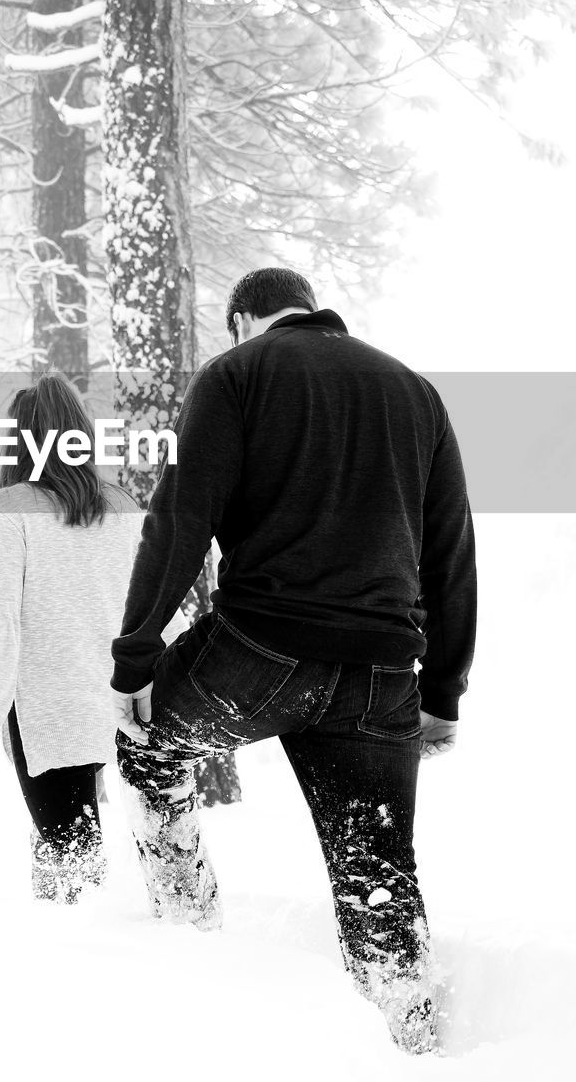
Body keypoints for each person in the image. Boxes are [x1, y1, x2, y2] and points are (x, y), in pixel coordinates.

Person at [110, 267, 476, 1055]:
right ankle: (415, 1044)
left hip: (257, 654)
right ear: (311, 308)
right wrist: (442, 691)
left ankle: (185, 930)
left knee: (148, 746)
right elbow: (448, 551)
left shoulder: (236, 373)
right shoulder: (413, 392)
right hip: (379, 674)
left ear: (243, 318)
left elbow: (180, 520)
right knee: (374, 870)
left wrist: (136, 656)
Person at [0, 373, 183, 903]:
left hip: (49, 713)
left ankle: (81, 973)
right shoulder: (120, 503)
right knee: (92, 863)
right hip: (122, 704)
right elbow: (154, 607)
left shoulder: (12, 508)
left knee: (71, 879)